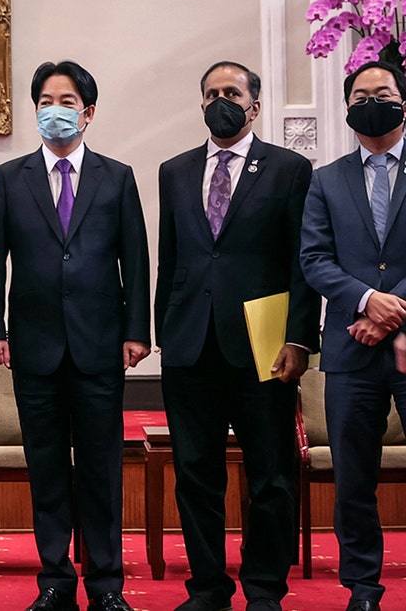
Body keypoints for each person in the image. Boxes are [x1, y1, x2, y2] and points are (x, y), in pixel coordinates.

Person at [0, 60, 149, 611]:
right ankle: (54, 581)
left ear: (89, 112)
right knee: (46, 469)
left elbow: (137, 261)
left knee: (101, 470)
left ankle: (106, 586)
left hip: (100, 346)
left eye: (68, 101)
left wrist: (136, 331)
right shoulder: (10, 178)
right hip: (34, 346)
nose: (56, 110)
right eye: (46, 101)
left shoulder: (117, 177)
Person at [155, 61, 320, 611]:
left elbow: (304, 262)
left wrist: (300, 338)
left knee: (270, 476)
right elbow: (171, 259)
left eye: (231, 92)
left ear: (254, 106)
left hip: (263, 347)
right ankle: (207, 589)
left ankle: (265, 589)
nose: (219, 100)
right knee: (195, 477)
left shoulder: (290, 169)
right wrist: (162, 333)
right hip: (190, 348)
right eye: (210, 93)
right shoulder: (174, 171)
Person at [300, 59, 406, 611]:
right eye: (360, 95)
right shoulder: (326, 179)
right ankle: (363, 589)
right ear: (347, 109)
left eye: (382, 92)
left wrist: (393, 310)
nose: (371, 101)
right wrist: (366, 301)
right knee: (353, 480)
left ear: (403, 100)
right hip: (350, 347)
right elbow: (314, 259)